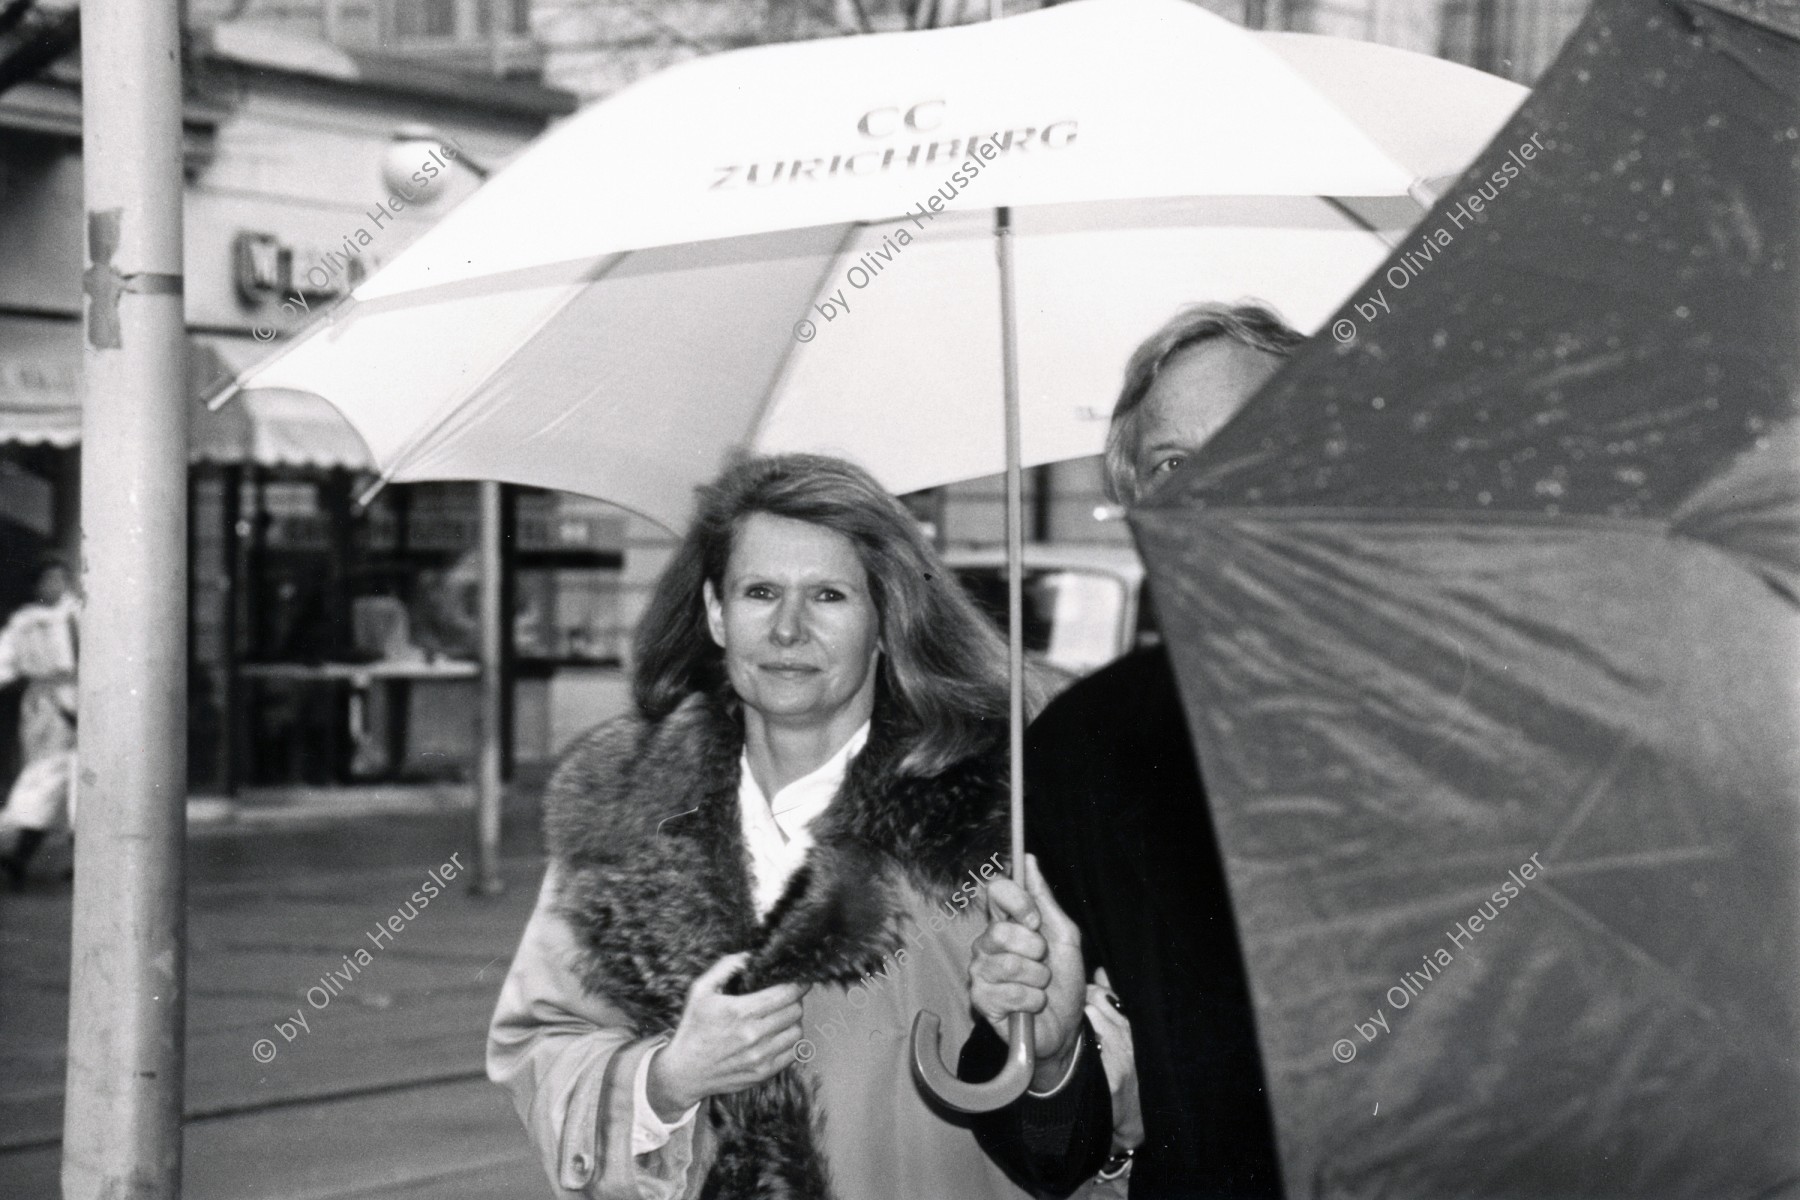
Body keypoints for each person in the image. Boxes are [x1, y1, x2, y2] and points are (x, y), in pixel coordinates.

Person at [488, 453, 1066, 1199]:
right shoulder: (621, 818)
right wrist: (666, 1080)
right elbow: (542, 1042)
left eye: (828, 595)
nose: (788, 629)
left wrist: (1053, 1054)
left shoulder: (1003, 817)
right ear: (717, 614)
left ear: (886, 619)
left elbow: (1118, 1068)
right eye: (761, 592)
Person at [959, 303, 1303, 1198]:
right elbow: (1047, 1153)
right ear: (1139, 503)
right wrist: (1054, 1041)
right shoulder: (1088, 746)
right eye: (1173, 463)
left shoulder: (1468, 693)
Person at [0, 558, 81, 892]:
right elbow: (5, 663)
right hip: (47, 706)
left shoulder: (79, 613)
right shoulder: (25, 622)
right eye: (47, 580)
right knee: (46, 776)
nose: (54, 586)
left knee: (85, 782)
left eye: (59, 579)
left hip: (87, 698)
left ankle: (83, 860)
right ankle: (20, 856)